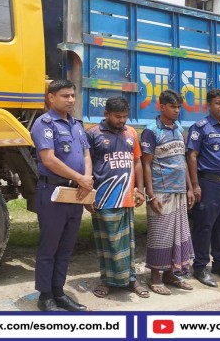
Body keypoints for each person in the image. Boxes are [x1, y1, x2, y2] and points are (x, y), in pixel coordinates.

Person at [30, 79, 93, 312]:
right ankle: (45, 296)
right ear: (51, 97)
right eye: (65, 96)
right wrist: (80, 179)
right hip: (54, 192)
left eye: (72, 96)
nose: (71, 100)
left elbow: (86, 154)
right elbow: (49, 159)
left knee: (66, 246)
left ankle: (59, 292)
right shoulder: (44, 124)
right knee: (50, 245)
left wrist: (86, 178)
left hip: (75, 193)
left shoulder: (76, 124)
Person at [85, 97, 149, 299]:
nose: (122, 120)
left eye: (124, 117)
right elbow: (86, 164)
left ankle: (131, 280)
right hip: (103, 198)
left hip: (127, 197)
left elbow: (136, 162)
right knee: (107, 243)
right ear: (106, 114)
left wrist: (140, 189)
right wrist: (88, 196)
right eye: (117, 117)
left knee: (127, 243)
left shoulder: (131, 133)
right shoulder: (93, 134)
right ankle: (107, 281)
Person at [140, 90, 195, 295]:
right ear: (161, 106)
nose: (177, 111)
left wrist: (189, 188)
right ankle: (155, 278)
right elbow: (146, 165)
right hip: (161, 192)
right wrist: (151, 195)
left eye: (179, 107)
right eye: (173, 107)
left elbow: (183, 161)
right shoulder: (151, 131)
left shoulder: (180, 129)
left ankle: (172, 274)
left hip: (179, 190)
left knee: (178, 236)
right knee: (160, 236)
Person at [186, 89, 220, 287]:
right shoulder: (200, 127)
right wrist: (195, 185)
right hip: (209, 184)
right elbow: (192, 156)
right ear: (209, 106)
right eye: (219, 103)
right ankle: (200, 266)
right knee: (204, 226)